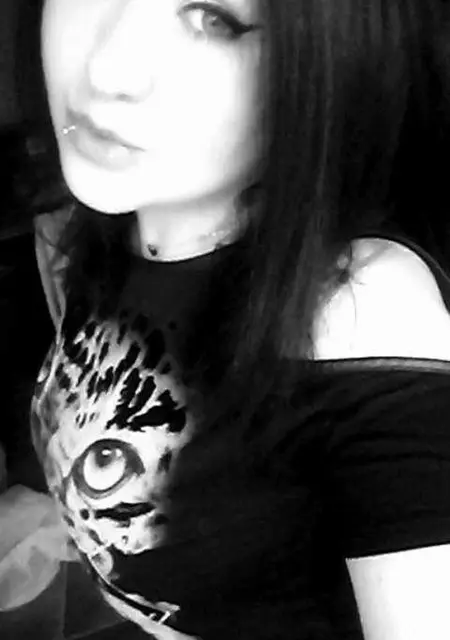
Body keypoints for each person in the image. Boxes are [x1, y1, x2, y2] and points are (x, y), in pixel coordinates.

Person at [25, 0, 450, 638]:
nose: (107, 69)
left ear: (332, 60)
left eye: (213, 19)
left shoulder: (364, 310)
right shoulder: (106, 221)